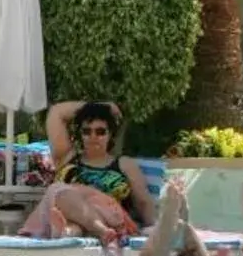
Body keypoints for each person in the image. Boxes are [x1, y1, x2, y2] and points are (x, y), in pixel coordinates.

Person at [19, 99, 154, 241]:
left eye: (100, 132)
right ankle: (73, 231)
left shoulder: (124, 164)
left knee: (58, 191)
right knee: (61, 196)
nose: (93, 137)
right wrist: (100, 105)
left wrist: (153, 226)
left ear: (110, 135)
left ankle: (89, 230)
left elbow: (143, 201)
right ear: (80, 135)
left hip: (111, 219)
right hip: (73, 219)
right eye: (86, 131)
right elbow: (56, 112)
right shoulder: (66, 158)